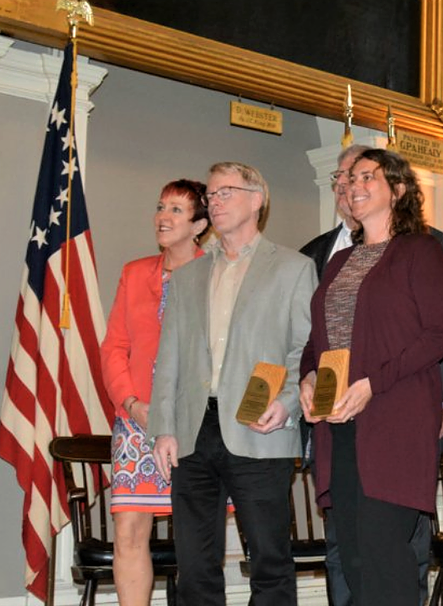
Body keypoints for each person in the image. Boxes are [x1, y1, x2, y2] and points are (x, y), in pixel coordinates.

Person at [300, 143, 443, 606]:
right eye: (350, 180)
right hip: (339, 425)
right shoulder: (338, 261)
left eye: (367, 177)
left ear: (397, 189)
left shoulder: (421, 250)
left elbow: (441, 333)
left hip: (395, 416)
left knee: (385, 555)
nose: (355, 186)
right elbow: (318, 338)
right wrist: (309, 376)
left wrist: (373, 383)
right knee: (352, 557)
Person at [148, 162, 316, 606]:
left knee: (269, 562)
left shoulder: (294, 268)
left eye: (225, 192)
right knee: (195, 566)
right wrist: (163, 427)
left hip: (259, 427)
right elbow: (169, 359)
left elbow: (307, 347)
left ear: (257, 199)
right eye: (212, 194)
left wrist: (287, 402)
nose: (214, 202)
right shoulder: (187, 277)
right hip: (192, 432)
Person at [101, 179, 209, 606]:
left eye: (177, 210)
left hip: (197, 424)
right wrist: (131, 403)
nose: (164, 216)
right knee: (129, 531)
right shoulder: (134, 273)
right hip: (137, 420)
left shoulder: (218, 271)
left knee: (196, 537)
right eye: (161, 206)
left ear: (200, 224)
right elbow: (115, 347)